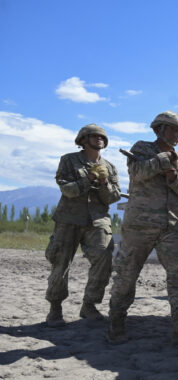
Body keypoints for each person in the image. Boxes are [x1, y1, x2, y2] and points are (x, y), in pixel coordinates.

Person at [107, 112, 178, 345]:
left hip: (172, 225)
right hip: (140, 224)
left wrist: (173, 176)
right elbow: (137, 174)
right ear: (159, 129)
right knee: (127, 274)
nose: (176, 135)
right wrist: (161, 161)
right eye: (172, 130)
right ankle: (116, 322)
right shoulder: (141, 148)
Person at [45, 124, 121, 327]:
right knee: (60, 263)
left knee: (104, 257)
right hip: (69, 219)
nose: (99, 139)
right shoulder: (69, 160)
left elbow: (113, 197)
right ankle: (55, 307)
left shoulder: (110, 166)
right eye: (94, 136)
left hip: (98, 220)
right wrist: (88, 179)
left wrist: (104, 182)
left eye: (102, 137)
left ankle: (89, 305)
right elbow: (68, 190)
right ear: (83, 140)